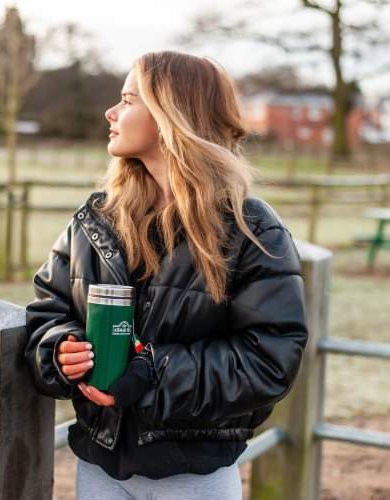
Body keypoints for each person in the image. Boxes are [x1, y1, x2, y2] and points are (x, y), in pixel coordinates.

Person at [25, 50, 309, 500]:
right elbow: (47, 312)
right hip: (99, 468)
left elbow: (271, 359)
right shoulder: (94, 221)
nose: (110, 112)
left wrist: (153, 375)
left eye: (127, 99)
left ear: (169, 117)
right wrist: (60, 350)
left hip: (193, 478)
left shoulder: (250, 229)